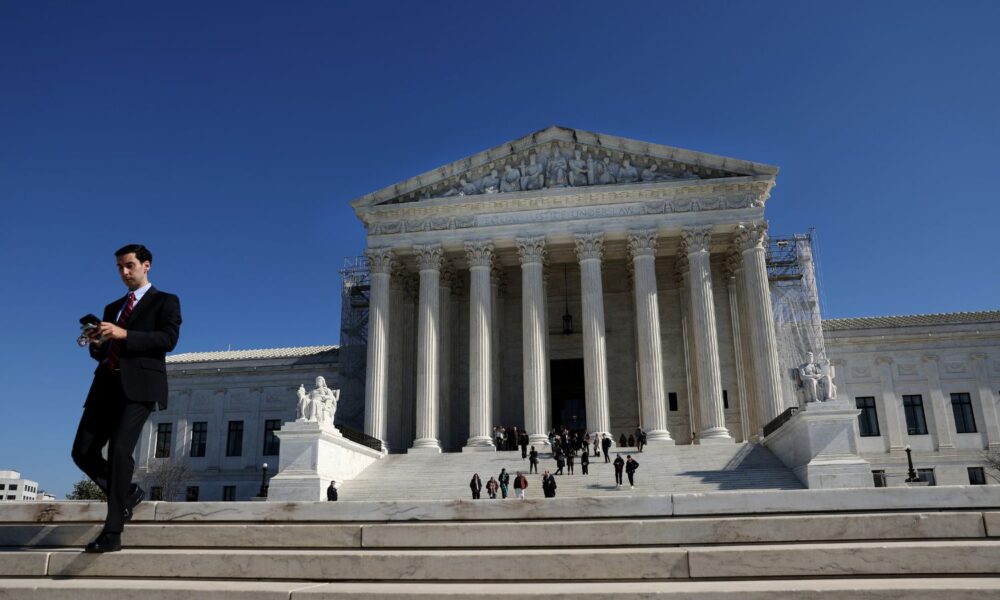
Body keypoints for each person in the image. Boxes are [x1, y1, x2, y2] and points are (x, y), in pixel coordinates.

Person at [73, 244, 182, 553]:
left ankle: (113, 532)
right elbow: (104, 353)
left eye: (129, 265)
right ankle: (129, 493)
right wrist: (98, 342)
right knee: (82, 452)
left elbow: (167, 340)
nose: (124, 272)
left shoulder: (166, 301)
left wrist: (123, 335)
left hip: (140, 387)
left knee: (121, 450)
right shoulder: (113, 308)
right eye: (119, 267)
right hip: (106, 384)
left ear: (146, 265)